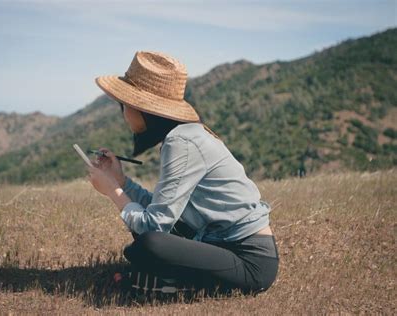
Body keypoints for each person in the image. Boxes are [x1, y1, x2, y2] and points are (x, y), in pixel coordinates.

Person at [87, 51, 279, 295]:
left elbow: (152, 227)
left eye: (124, 104)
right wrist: (121, 181)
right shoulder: (182, 136)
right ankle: (173, 282)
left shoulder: (182, 142)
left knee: (148, 244)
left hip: (250, 262)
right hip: (220, 243)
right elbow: (160, 211)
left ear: (141, 108)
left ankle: (175, 285)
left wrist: (113, 191)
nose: (123, 112)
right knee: (142, 247)